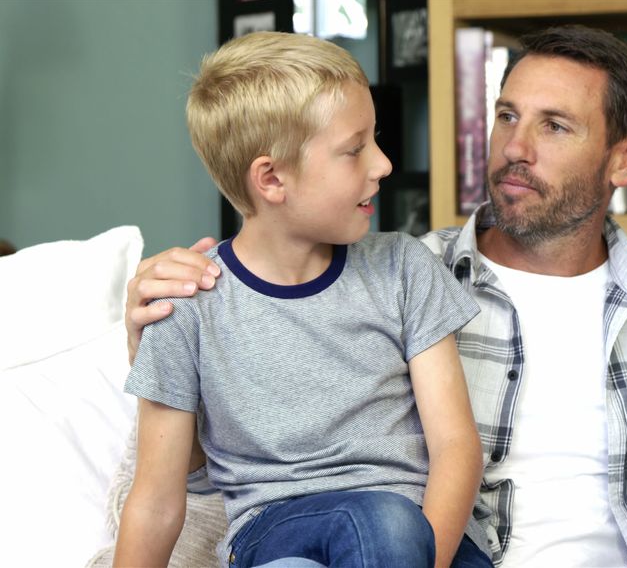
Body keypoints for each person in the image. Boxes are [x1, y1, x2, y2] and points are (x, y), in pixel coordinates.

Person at [124, 25, 627, 567]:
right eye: (506, 115)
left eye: (554, 125)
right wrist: (144, 341)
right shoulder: (422, 265)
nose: (515, 146)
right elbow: (190, 477)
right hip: (343, 539)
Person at [114, 32, 487, 568]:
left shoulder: (403, 268)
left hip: (428, 538)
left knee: (386, 522)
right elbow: (154, 499)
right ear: (271, 179)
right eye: (355, 149)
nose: (382, 164)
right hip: (278, 532)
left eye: (374, 139)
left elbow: (456, 449)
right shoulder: (186, 306)